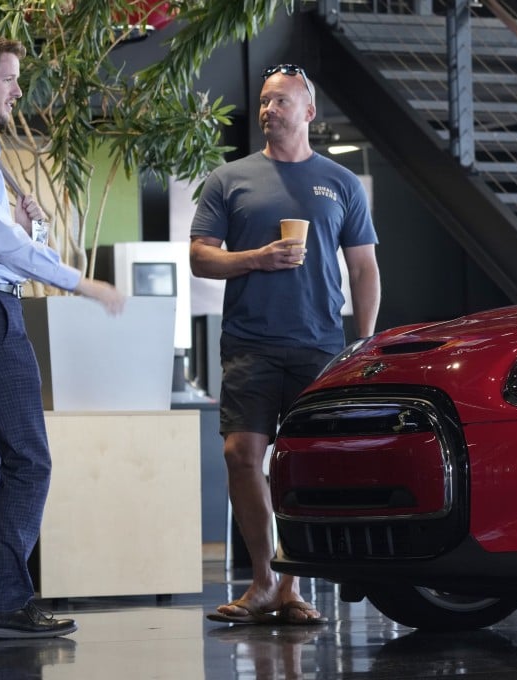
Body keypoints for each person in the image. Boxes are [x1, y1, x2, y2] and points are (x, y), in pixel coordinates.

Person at [0, 34, 125, 640]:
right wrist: (80, 283)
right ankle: (7, 600)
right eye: (9, 79)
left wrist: (21, 227)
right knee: (30, 460)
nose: (17, 90)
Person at [190, 63, 381, 625]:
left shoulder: (340, 183)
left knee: (300, 467)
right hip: (248, 342)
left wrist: (362, 343)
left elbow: (365, 268)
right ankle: (262, 580)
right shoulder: (230, 179)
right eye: (265, 101)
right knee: (240, 455)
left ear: (308, 112)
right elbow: (200, 256)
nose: (269, 110)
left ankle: (292, 586)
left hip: (318, 346)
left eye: (280, 101)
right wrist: (256, 259)